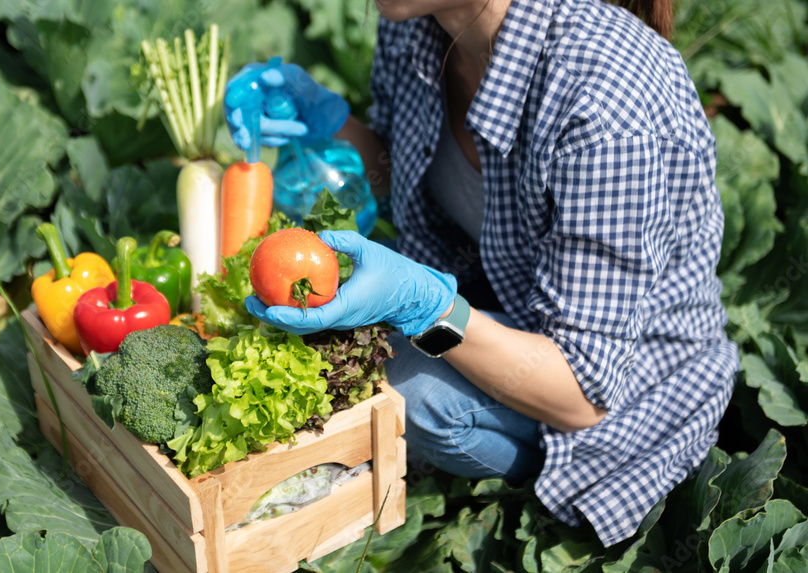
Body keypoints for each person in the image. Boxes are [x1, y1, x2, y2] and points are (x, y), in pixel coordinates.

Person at [224, 0, 739, 547]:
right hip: (499, 296)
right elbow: (414, 176)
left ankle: (544, 472)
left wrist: (424, 308)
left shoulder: (608, 99)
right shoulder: (420, 26)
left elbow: (583, 393)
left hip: (624, 378)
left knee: (413, 388)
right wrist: (331, 122)